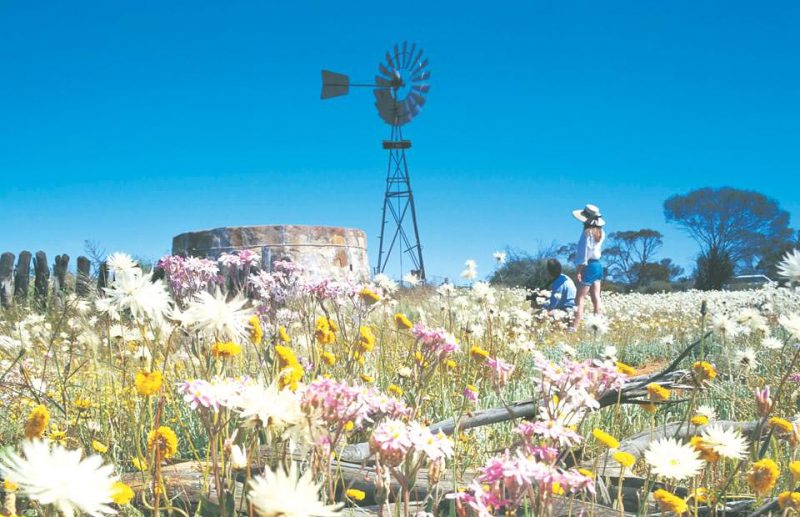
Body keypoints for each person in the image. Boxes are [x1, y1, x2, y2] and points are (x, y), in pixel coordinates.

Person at [571, 204, 606, 330]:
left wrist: (579, 270)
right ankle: (597, 324)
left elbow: (584, 253)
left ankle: (574, 326)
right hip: (598, 265)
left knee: (579, 298)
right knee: (596, 297)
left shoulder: (587, 233)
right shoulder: (601, 232)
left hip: (589, 266)